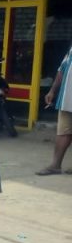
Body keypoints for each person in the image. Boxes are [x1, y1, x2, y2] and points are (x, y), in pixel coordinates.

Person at [36, 40, 72, 175]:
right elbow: (61, 70)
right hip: (67, 99)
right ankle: (55, 165)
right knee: (63, 132)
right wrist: (52, 91)